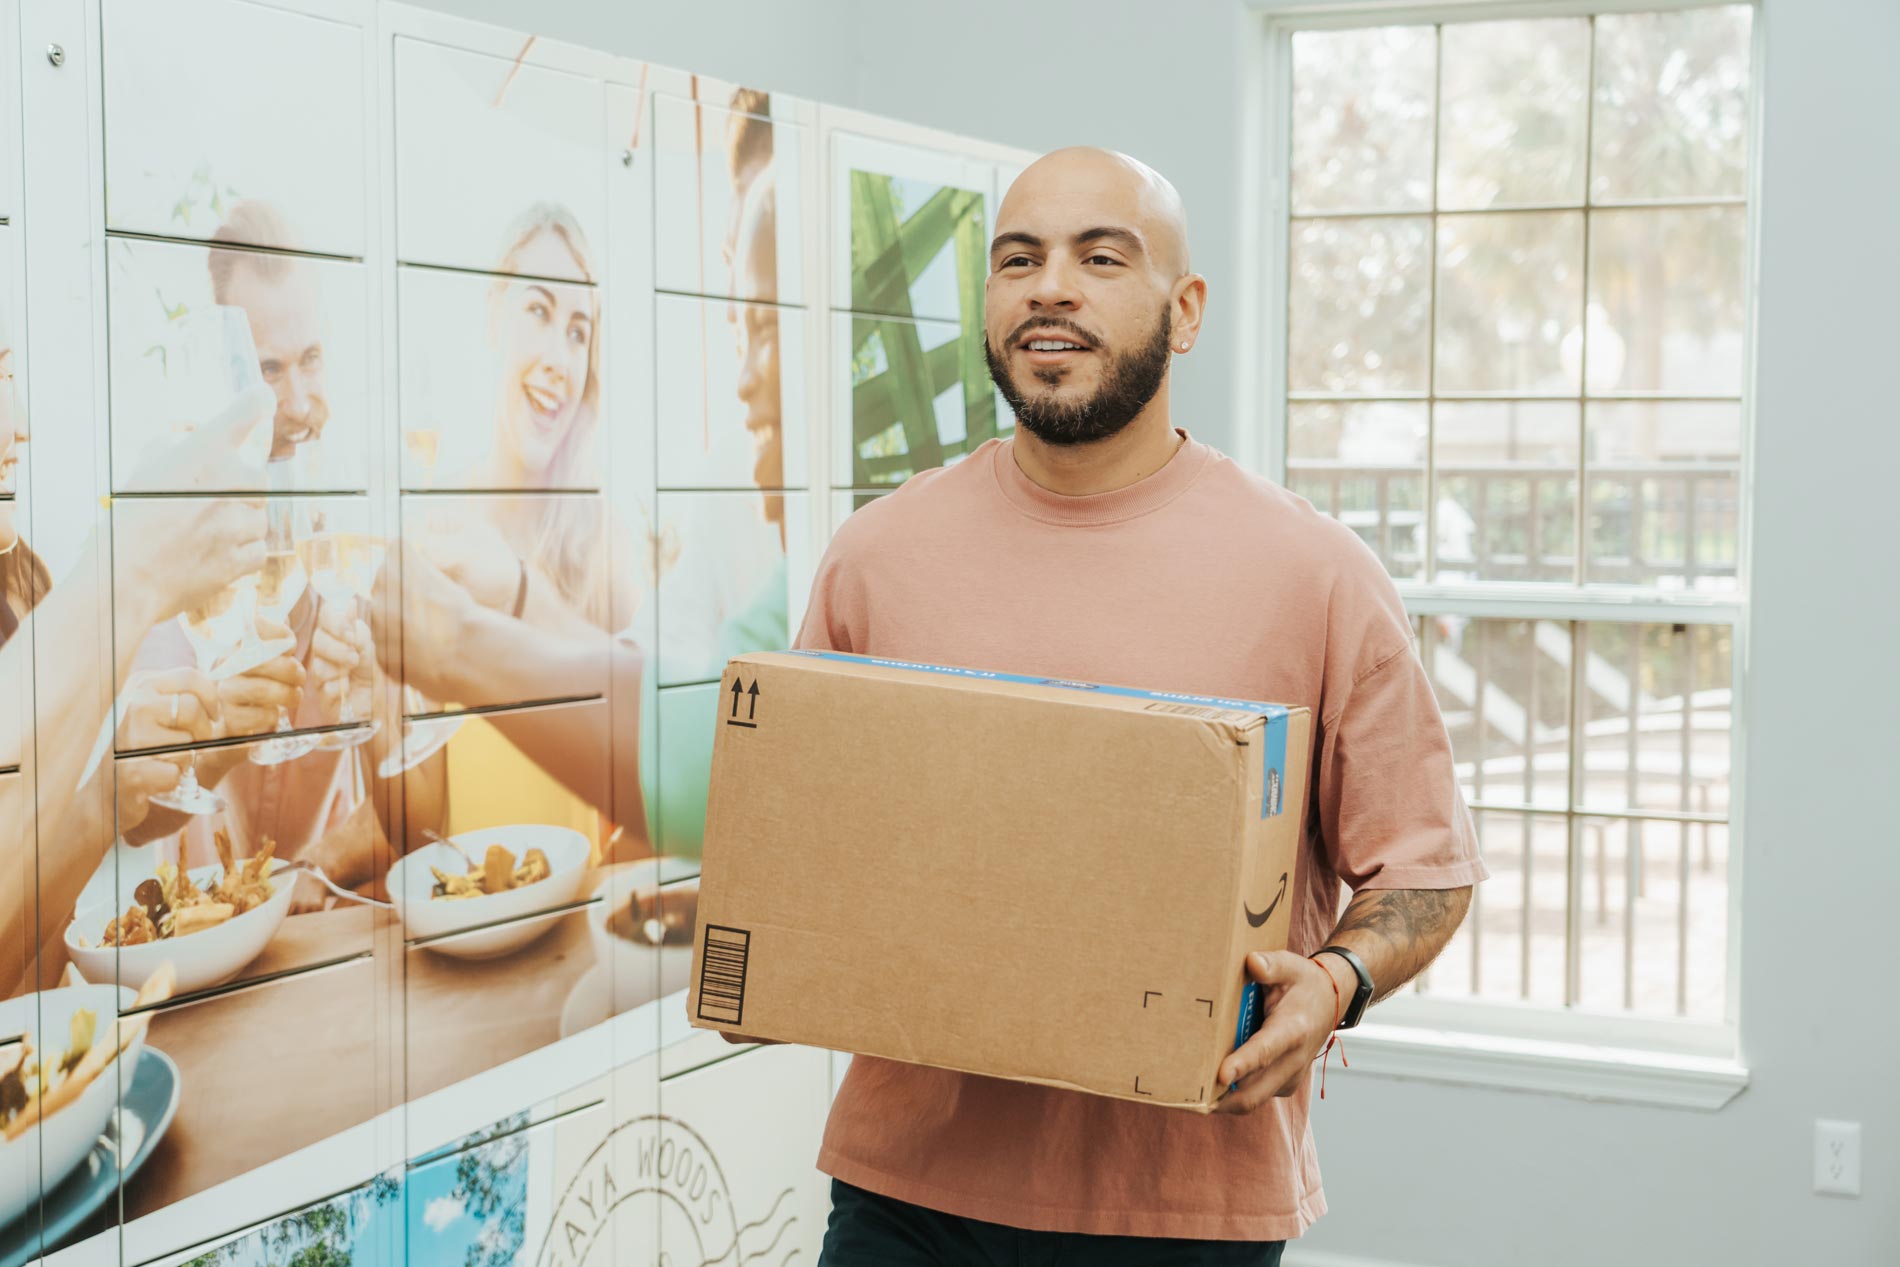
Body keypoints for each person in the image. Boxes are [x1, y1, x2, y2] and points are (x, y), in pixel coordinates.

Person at [796, 149, 1487, 1264]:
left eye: (1098, 257)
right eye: (1017, 260)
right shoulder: (879, 556)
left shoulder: (1310, 572)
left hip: (1187, 1201)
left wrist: (1333, 983)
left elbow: (1425, 868)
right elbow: (802, 842)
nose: (1049, 287)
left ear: (1185, 308)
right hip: (907, 1192)